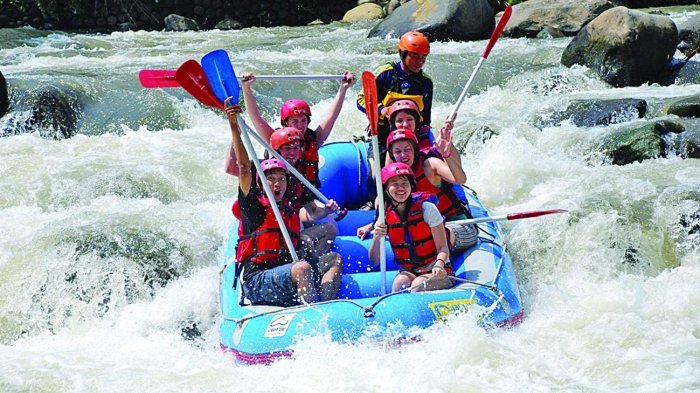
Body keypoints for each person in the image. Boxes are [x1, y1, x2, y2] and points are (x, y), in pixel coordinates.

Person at [226, 100, 343, 306]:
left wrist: (326, 210)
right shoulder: (253, 205)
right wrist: (234, 126)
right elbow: (243, 168)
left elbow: (309, 212)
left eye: (281, 178)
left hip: (286, 270)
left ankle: (325, 308)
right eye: (271, 179)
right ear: (262, 182)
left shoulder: (293, 196)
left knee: (334, 260)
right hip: (259, 279)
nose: (277, 183)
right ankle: (312, 315)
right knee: (302, 268)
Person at [360, 129, 477, 252]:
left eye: (407, 149)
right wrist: (373, 225)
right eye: (398, 151)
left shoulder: (429, 165)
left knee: (427, 238)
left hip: (455, 224)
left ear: (415, 150)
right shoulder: (394, 179)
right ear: (392, 154)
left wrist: (446, 156)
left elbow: (460, 179)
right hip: (424, 228)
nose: (403, 155)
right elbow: (387, 208)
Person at [368, 163, 452, 293]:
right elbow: (374, 261)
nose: (400, 188)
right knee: (400, 283)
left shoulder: (427, 208)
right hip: (409, 270)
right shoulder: (384, 215)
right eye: (394, 184)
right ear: (385, 188)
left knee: (418, 285)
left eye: (404, 183)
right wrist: (376, 237)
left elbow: (443, 247)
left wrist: (439, 264)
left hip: (437, 270)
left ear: (411, 186)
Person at [357, 31, 434, 160]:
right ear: (403, 54)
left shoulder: (426, 82)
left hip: (410, 138)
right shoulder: (385, 74)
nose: (419, 61)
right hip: (383, 135)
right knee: (375, 175)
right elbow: (361, 99)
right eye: (415, 56)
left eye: (423, 57)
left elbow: (425, 118)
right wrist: (382, 110)